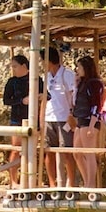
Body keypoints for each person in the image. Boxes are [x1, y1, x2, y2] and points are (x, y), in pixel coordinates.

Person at [41, 49, 78, 187]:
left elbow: (74, 95)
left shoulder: (68, 75)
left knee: (67, 152)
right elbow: (44, 99)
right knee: (48, 151)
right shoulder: (45, 77)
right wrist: (41, 119)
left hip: (64, 118)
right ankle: (52, 183)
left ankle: (72, 182)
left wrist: (73, 113)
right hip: (49, 117)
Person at [71, 54, 106, 188]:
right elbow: (75, 102)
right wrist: (76, 84)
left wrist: (92, 125)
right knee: (77, 153)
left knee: (89, 153)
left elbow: (96, 105)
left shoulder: (95, 83)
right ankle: (86, 181)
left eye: (79, 67)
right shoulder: (82, 83)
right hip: (80, 119)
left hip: (89, 120)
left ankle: (91, 183)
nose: (77, 70)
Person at [4, 55, 37, 185]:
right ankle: (13, 180)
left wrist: (39, 97)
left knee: (32, 150)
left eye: (15, 66)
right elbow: (6, 100)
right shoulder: (12, 82)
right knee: (16, 149)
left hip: (33, 119)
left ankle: (30, 179)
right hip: (16, 119)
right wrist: (21, 101)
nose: (13, 69)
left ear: (24, 66)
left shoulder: (35, 79)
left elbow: (47, 95)